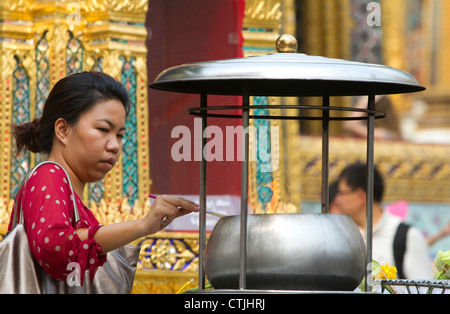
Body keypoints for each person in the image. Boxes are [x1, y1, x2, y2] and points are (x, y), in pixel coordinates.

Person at [8, 71, 199, 287]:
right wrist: (143, 225)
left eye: (119, 135)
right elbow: (57, 248)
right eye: (103, 130)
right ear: (62, 130)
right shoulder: (48, 175)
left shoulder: (71, 196)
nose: (115, 145)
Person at [334, 162, 433, 279]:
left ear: (360, 196)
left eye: (341, 193)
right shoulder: (344, 237)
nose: (337, 200)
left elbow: (423, 288)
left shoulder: (407, 236)